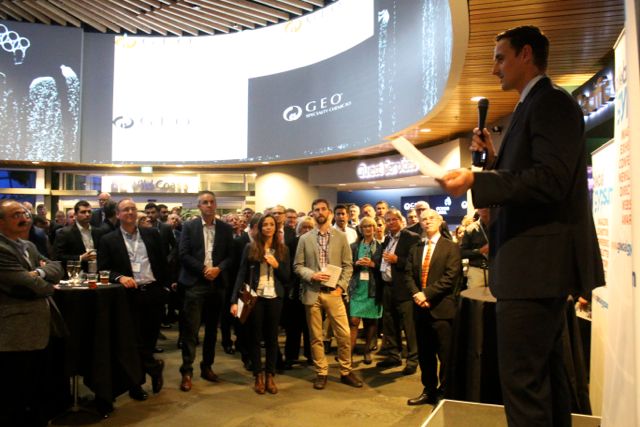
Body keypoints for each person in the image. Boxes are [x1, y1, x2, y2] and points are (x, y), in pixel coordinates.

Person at [438, 26, 604, 426]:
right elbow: (532, 178)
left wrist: (478, 180)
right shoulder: (532, 106)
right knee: (545, 379)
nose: (494, 68)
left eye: (500, 57)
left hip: (534, 270)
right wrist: (494, 159)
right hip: (534, 271)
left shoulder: (551, 102)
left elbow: (550, 180)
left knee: (524, 385)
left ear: (525, 54)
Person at [0, 200, 65, 427]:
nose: (24, 219)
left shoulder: (28, 246)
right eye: (16, 215)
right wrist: (46, 284)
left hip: (38, 330)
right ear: (1, 222)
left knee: (35, 388)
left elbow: (56, 267)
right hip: (14, 333)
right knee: (13, 393)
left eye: (26, 214)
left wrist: (37, 272)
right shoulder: (2, 249)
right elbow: (27, 285)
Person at [98, 198, 168, 401]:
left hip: (153, 292)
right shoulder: (108, 239)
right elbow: (103, 268)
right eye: (125, 209)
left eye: (133, 209)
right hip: (129, 295)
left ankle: (149, 370)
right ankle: (140, 381)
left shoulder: (151, 234)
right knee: (132, 342)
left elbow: (163, 261)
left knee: (149, 340)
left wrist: (165, 287)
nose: (130, 212)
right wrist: (120, 277)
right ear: (117, 214)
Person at [294, 199, 362, 390]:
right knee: (316, 336)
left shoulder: (340, 237)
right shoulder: (305, 238)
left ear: (329, 212)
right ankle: (321, 372)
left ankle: (346, 371)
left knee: (344, 334)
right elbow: (297, 266)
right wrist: (312, 275)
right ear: (312, 213)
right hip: (312, 292)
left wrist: (341, 286)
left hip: (334, 292)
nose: (320, 212)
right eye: (316, 210)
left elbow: (348, 265)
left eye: (323, 209)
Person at [177, 191, 234, 392]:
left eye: (211, 202)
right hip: (195, 283)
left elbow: (231, 256)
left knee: (211, 330)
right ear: (199, 206)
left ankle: (207, 366)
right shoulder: (189, 226)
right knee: (191, 330)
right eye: (205, 202)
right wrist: (204, 270)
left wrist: (218, 269)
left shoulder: (226, 229)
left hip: (217, 284)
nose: (209, 205)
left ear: (215, 205)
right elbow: (183, 254)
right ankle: (186, 370)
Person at [405, 209, 461, 406]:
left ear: (439, 221)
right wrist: (417, 295)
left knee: (445, 355)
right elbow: (408, 275)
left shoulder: (451, 247)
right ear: (420, 223)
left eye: (431, 218)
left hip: (442, 309)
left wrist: (426, 294)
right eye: (424, 219)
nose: (427, 221)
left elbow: (450, 277)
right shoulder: (416, 247)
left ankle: (444, 392)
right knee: (425, 354)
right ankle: (429, 390)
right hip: (420, 309)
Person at [231, 214, 290, 394]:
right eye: (265, 224)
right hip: (255, 297)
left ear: (276, 228)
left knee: (272, 338)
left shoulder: (283, 249)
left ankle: (270, 375)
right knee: (254, 337)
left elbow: (287, 278)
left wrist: (276, 265)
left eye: (272, 224)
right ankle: (258, 375)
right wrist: (234, 301)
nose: (268, 227)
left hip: (275, 297)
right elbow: (241, 274)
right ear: (260, 228)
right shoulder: (251, 247)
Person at [377, 208, 420, 374]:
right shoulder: (387, 238)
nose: (390, 223)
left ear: (401, 221)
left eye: (393, 219)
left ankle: (413, 360)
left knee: (409, 326)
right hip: (387, 287)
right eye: (387, 220)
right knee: (390, 324)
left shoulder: (412, 237)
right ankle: (394, 356)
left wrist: (397, 260)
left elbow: (415, 263)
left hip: (404, 288)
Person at [348, 216, 383, 365]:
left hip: (373, 288)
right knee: (354, 321)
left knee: (371, 321)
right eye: (365, 226)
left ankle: (367, 350)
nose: (368, 229)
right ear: (360, 229)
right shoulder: (354, 246)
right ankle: (348, 354)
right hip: (357, 287)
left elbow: (384, 268)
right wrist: (356, 264)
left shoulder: (381, 246)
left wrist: (373, 264)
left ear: (374, 228)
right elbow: (347, 265)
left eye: (370, 226)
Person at [53, 200, 103, 275]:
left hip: (95, 274)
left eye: (89, 212)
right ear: (75, 215)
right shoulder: (65, 233)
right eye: (83, 212)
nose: (87, 214)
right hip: (75, 274)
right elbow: (58, 256)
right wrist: (80, 257)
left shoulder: (98, 232)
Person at [460, 208, 490, 288]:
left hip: (497, 270)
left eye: (486, 206)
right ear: (477, 210)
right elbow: (462, 253)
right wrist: (480, 251)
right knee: (476, 294)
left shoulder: (500, 226)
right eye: (481, 206)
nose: (484, 209)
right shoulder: (470, 229)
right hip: (477, 271)